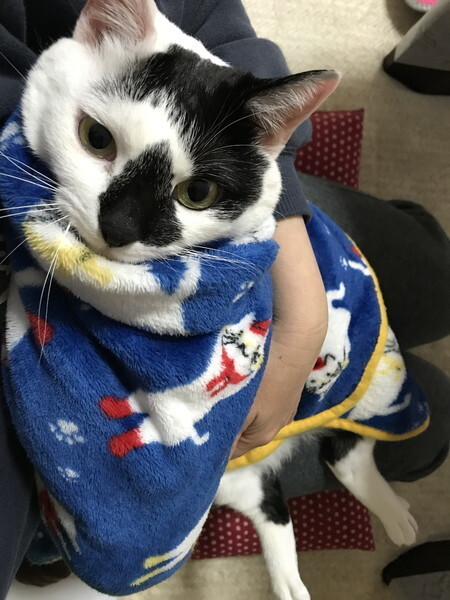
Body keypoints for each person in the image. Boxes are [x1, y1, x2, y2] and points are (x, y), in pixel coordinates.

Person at [0, 1, 449, 597]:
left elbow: (204, 11)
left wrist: (302, 304)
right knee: (432, 431)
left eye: (195, 194)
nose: (120, 230)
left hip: (262, 223)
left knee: (436, 280)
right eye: (99, 138)